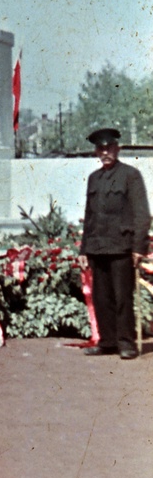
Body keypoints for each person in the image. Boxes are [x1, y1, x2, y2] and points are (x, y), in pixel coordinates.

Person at [80, 127, 151, 360]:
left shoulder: (130, 175)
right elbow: (89, 215)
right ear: (96, 152)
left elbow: (142, 214)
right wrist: (83, 248)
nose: (105, 152)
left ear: (117, 148)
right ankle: (108, 342)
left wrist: (139, 247)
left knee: (123, 298)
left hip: (121, 247)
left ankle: (126, 343)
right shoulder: (94, 179)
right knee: (102, 298)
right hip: (98, 247)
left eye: (109, 147)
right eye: (100, 149)